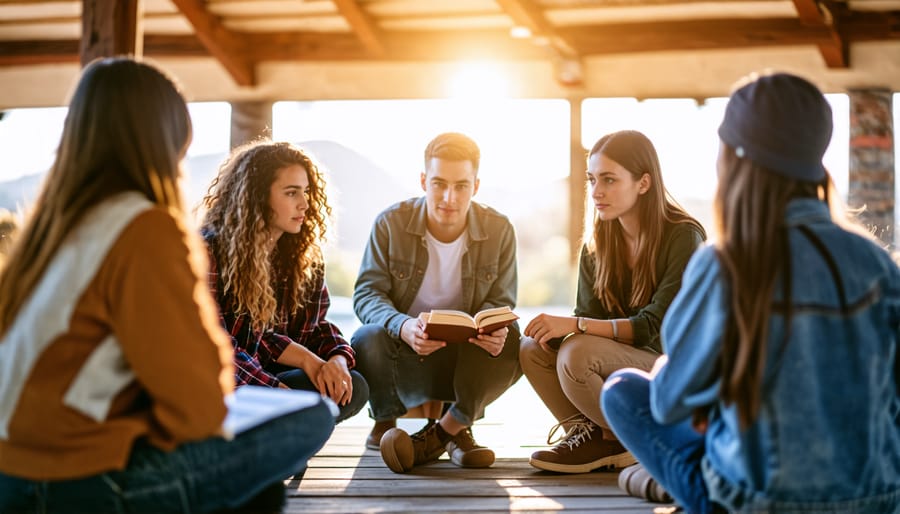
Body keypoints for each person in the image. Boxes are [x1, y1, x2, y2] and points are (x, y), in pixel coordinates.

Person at [0, 57, 335, 514]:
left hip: (12, 472)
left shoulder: (49, 233)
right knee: (311, 418)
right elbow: (201, 403)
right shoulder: (147, 229)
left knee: (261, 492)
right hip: (73, 483)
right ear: (167, 140)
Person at [601, 72, 900, 513]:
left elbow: (668, 404)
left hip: (759, 502)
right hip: (878, 498)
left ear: (735, 158)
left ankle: (674, 483)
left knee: (622, 389)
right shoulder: (875, 263)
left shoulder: (726, 262)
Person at [520, 130, 706, 474]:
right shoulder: (598, 243)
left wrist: (574, 327)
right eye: (592, 180)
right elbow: (589, 317)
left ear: (644, 183)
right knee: (533, 347)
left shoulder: (683, 235)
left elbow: (655, 327)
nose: (596, 192)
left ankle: (642, 440)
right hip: (622, 362)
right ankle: (598, 437)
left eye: (609, 180)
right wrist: (562, 331)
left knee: (577, 353)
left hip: (670, 367)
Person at [351, 132, 521, 472]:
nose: (449, 197)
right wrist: (404, 326)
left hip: (466, 356)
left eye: (461, 186)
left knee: (514, 339)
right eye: (439, 183)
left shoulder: (499, 229)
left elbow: (501, 300)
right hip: (407, 353)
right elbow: (367, 292)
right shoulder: (390, 223)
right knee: (367, 337)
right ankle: (387, 423)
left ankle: (452, 427)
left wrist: (491, 327)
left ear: (475, 186)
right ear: (423, 180)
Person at [200, 140, 368, 423]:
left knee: (353, 385)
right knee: (295, 402)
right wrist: (276, 390)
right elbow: (213, 346)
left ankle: (282, 429)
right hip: (226, 385)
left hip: (273, 376)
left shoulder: (302, 259)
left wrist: (337, 360)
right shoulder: (209, 253)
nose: (304, 204)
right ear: (256, 197)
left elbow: (316, 329)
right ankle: (280, 431)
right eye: (291, 193)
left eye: (306, 191)